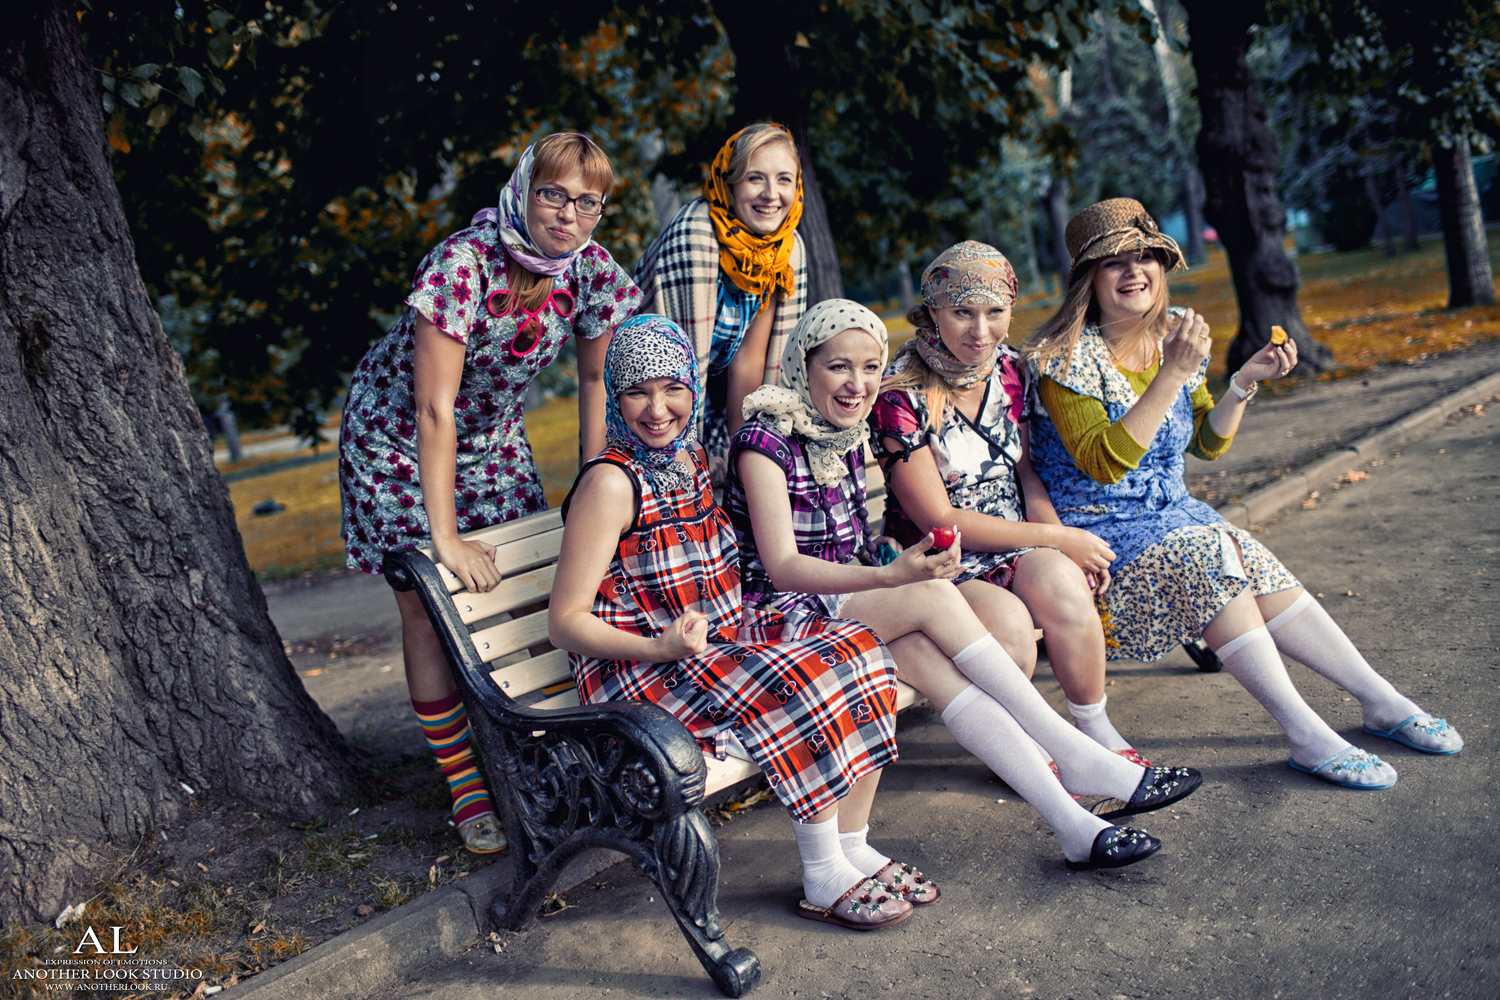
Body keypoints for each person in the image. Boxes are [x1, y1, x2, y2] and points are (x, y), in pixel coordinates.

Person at [728, 298, 1201, 871]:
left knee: (938, 664)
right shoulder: (766, 441)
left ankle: (1074, 825)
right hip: (779, 614)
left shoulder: (839, 430)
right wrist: (890, 576)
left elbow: (845, 543)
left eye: (871, 367)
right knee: (932, 596)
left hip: (843, 602)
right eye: (837, 367)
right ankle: (1074, 753)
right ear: (803, 365)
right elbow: (782, 566)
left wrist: (888, 559)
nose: (857, 384)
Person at [1023, 197, 1462, 790]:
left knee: (1247, 557)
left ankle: (1379, 700)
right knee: (1212, 554)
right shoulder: (1063, 358)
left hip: (1171, 514)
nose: (1134, 271)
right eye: (1113, 262)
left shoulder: (1175, 331)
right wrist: (1174, 373)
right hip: (1094, 532)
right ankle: (1306, 733)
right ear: (1088, 279)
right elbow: (1103, 463)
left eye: (1145, 257)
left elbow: (1205, 443)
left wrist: (1244, 383)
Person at [548, 314, 917, 930]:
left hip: (713, 641)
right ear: (614, 397)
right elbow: (564, 623)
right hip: (645, 673)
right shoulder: (611, 483)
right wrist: (659, 647)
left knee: (861, 645)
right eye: (637, 392)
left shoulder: (688, 457)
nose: (658, 409)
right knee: (802, 681)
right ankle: (823, 872)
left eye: (673, 388)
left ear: (694, 389)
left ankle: (852, 847)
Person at [339, 133, 643, 854]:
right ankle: (465, 785)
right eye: (554, 194)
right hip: (396, 441)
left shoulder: (590, 270)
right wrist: (444, 538)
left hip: (494, 440)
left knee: (529, 589)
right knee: (427, 606)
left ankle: (538, 757)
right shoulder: (463, 264)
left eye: (588, 202)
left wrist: (595, 485)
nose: (569, 214)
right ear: (523, 190)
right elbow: (432, 409)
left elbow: (596, 381)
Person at [871, 241, 1152, 767]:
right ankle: (1021, 751)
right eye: (962, 312)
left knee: (1066, 586)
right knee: (1011, 623)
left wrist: (1062, 548)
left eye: (994, 312)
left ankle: (1094, 729)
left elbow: (1024, 472)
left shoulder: (1008, 370)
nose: (981, 331)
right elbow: (939, 519)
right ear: (933, 311)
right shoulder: (898, 394)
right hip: (940, 558)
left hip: (1013, 538)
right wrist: (1060, 537)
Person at [633, 123, 808, 479]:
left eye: (784, 180)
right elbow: (679, 363)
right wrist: (689, 456)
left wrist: (744, 449)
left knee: (754, 472)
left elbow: (750, 360)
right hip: (647, 400)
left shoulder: (783, 249)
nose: (771, 194)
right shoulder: (696, 235)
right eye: (755, 178)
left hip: (710, 398)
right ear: (730, 183)